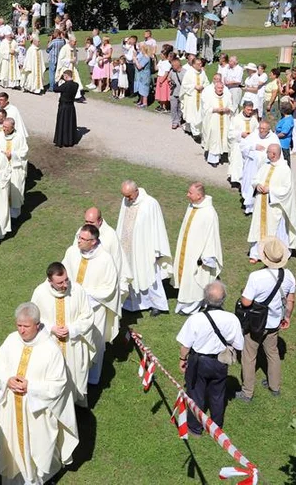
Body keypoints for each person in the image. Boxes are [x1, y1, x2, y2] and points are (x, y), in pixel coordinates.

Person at [0, 303, 79, 485]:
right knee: (13, 446)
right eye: (19, 325)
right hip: (12, 409)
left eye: (26, 326)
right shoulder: (11, 340)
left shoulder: (50, 350)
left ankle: (42, 478)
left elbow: (59, 384)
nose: (21, 331)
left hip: (37, 412)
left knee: (40, 448)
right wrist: (7, 379)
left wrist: (30, 387)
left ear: (38, 325)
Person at [176, 281, 244, 434]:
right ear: (224, 298)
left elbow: (185, 345)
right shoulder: (232, 319)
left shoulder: (195, 319)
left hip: (198, 362)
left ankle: (195, 427)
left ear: (205, 298)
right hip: (220, 362)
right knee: (218, 394)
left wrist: (182, 359)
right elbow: (239, 345)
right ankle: (216, 427)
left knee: (196, 394)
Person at [236, 238, 295, 401]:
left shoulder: (256, 277)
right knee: (273, 353)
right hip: (275, 322)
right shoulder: (288, 275)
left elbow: (246, 302)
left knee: (249, 356)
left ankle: (247, 392)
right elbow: (290, 300)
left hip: (256, 323)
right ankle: (274, 386)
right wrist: (287, 317)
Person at [61, 224, 121, 389]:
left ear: (94, 241)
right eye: (79, 237)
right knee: (73, 339)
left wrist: (85, 294)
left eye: (83, 239)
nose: (78, 241)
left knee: (95, 343)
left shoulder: (105, 259)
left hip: (95, 308)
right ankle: (71, 374)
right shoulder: (72, 252)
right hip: (73, 305)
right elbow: (63, 273)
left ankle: (92, 379)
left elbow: (109, 287)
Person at [31, 262, 97, 405]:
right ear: (50, 281)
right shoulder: (40, 293)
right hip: (50, 344)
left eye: (66, 279)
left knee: (75, 374)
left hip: (73, 343)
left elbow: (87, 316)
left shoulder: (78, 291)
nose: (65, 285)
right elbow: (34, 318)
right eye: (60, 282)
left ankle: (75, 403)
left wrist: (71, 329)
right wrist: (51, 328)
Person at [116, 180, 172, 316]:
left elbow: (157, 226)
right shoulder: (126, 201)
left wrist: (157, 250)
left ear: (136, 191)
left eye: (129, 196)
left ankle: (156, 305)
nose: (127, 199)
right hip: (127, 246)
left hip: (145, 247)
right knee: (130, 274)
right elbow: (122, 221)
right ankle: (132, 303)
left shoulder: (150, 203)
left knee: (149, 275)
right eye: (125, 196)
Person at [172, 182, 223, 314]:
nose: (187, 195)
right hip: (188, 248)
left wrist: (206, 256)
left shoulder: (209, 213)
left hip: (199, 254)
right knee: (186, 276)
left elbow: (212, 237)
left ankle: (190, 307)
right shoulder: (192, 206)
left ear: (199, 195)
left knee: (195, 279)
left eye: (190, 193)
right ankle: (184, 303)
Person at [247, 144, 296, 258]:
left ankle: (275, 254)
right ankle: (256, 253)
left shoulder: (285, 169)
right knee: (259, 227)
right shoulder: (265, 166)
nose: (266, 154)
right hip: (261, 203)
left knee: (274, 229)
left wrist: (270, 190)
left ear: (274, 154)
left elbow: (287, 190)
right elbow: (255, 179)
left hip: (275, 207)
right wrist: (257, 186)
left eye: (268, 152)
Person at [199, 80, 232, 166]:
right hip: (213, 121)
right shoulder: (210, 97)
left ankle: (221, 156)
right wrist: (215, 109)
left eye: (221, 88)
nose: (220, 89)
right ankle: (213, 160)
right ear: (215, 88)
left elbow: (231, 107)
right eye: (218, 88)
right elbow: (205, 109)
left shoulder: (226, 97)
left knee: (223, 138)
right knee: (214, 140)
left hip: (224, 121)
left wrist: (227, 109)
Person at [227, 100, 259, 183]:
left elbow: (257, 131)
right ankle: (237, 180)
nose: (250, 112)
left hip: (250, 146)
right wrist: (241, 134)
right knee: (238, 164)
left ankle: (246, 180)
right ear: (243, 108)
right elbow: (230, 133)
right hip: (239, 145)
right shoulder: (236, 119)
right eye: (248, 109)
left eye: (251, 110)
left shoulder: (254, 119)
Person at [179, 58, 207, 137]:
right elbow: (185, 85)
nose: (200, 65)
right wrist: (194, 86)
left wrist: (203, 86)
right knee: (192, 114)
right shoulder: (189, 73)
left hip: (200, 96)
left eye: (201, 64)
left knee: (199, 114)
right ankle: (195, 134)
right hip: (191, 97)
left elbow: (206, 82)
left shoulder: (202, 72)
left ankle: (192, 129)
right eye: (198, 64)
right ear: (193, 65)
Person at [53, 70, 79, 147]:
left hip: (63, 107)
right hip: (71, 106)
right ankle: (70, 140)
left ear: (66, 76)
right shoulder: (76, 85)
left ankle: (61, 140)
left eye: (64, 76)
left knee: (62, 123)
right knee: (70, 123)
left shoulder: (65, 85)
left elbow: (55, 89)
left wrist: (57, 81)